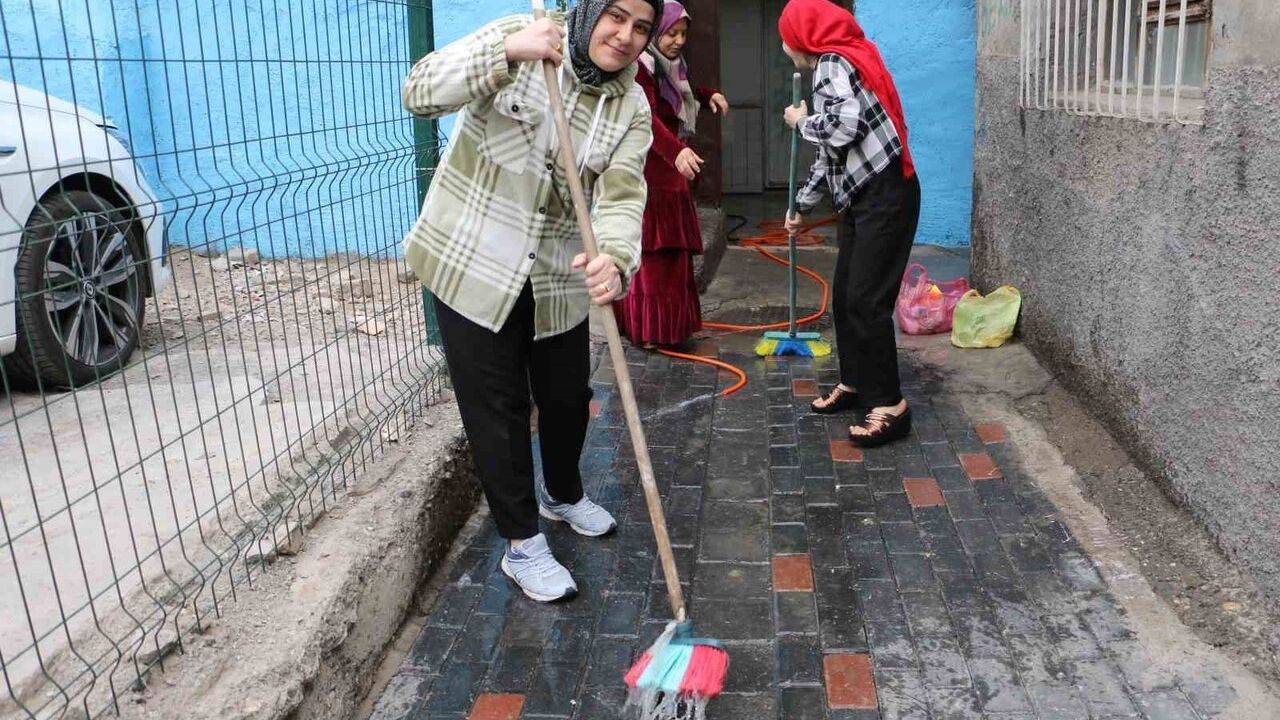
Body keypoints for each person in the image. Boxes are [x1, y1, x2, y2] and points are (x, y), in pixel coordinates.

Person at [400, 0, 660, 602]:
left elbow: (623, 194)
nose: (624, 36)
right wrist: (505, 53)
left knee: (568, 397)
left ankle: (562, 495)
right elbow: (420, 91)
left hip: (557, 277)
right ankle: (522, 543)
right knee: (499, 409)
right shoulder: (519, 36)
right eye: (614, 16)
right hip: (472, 264)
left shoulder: (632, 105)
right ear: (589, 9)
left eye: (641, 27)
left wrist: (616, 259)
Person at [779, 0, 921, 447]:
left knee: (866, 300)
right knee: (845, 297)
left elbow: (842, 128)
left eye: (785, 36)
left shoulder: (832, 62)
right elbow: (832, 154)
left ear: (802, 36)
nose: (783, 45)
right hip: (866, 197)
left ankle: (890, 405)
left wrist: (802, 122)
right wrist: (800, 206)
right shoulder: (842, 60)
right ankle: (858, 382)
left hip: (886, 195)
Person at [612, 0, 728, 348]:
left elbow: (679, 98)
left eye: (682, 34)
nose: (678, 41)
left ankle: (674, 328)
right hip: (651, 173)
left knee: (674, 259)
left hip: (671, 172)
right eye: (671, 33)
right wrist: (676, 152)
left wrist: (708, 95)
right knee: (654, 258)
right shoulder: (642, 69)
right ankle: (649, 331)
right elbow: (646, 117)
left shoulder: (670, 67)